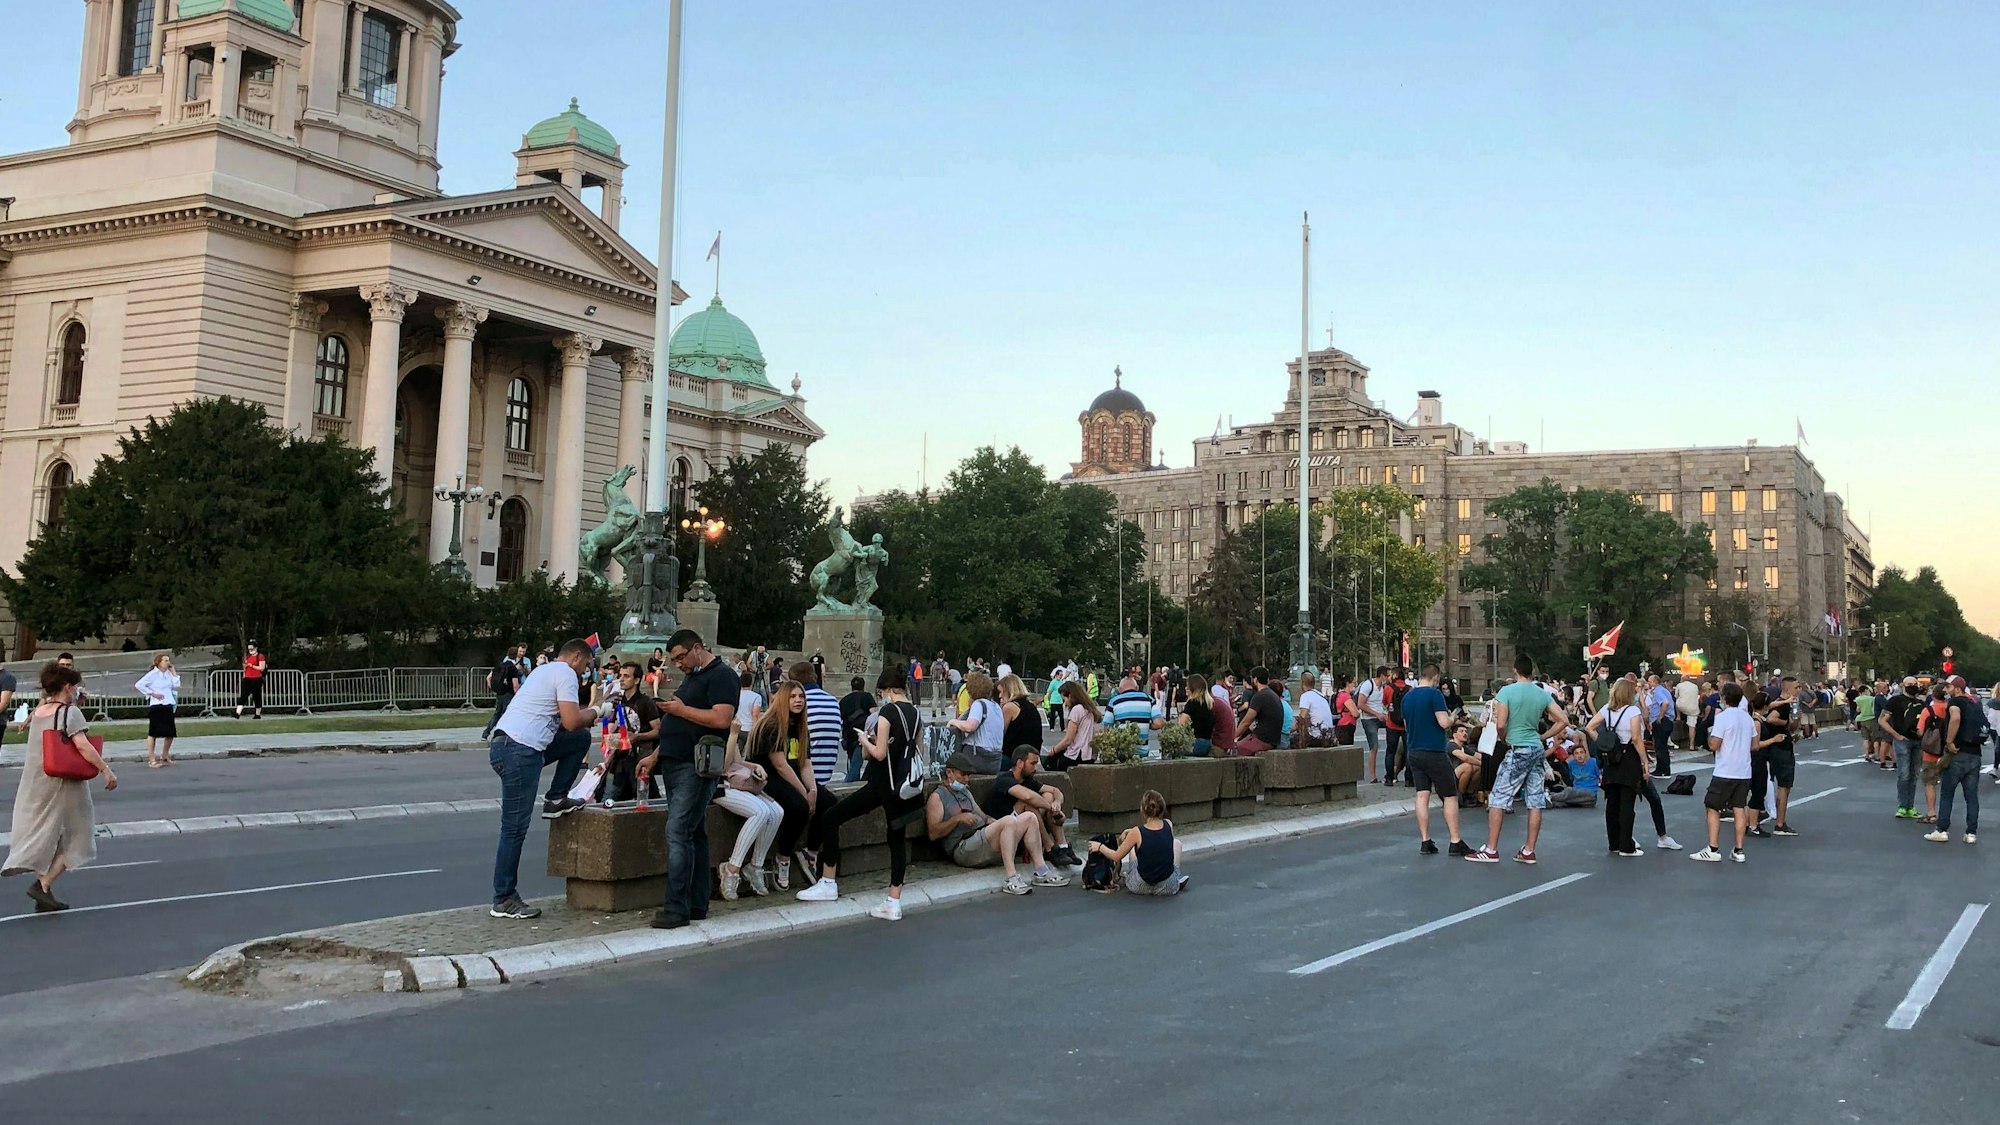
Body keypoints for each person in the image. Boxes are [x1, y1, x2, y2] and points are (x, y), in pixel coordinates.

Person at [796, 665, 924, 921]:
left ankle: (828, 881)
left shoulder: (888, 712)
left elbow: (877, 754)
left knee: (831, 817)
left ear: (886, 690)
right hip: (904, 786)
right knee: (896, 840)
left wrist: (864, 739)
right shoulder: (916, 714)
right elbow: (919, 749)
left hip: (881, 784)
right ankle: (893, 900)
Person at [487, 639, 602, 919]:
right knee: (514, 829)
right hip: (520, 750)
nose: (586, 671)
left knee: (579, 740)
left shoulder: (543, 671)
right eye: (586, 665)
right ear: (576, 657)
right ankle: (503, 898)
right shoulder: (565, 674)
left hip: (511, 746)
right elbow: (572, 720)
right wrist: (600, 710)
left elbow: (568, 728)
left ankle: (556, 798)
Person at [636, 629, 738, 929]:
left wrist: (681, 709)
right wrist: (655, 756)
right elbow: (675, 720)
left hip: (696, 765)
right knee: (693, 832)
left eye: (681, 656)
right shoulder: (693, 676)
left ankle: (677, 908)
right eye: (674, 659)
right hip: (675, 761)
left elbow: (721, 719)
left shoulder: (721, 675)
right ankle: (696, 903)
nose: (678, 663)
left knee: (678, 830)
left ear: (697, 648)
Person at [2, 662, 117, 912]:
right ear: (67, 687)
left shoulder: (41, 712)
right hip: (65, 783)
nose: (77, 690)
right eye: (75, 686)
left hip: (38, 782)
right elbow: (84, 746)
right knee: (81, 835)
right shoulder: (70, 713)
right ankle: (42, 884)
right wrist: (106, 770)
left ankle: (43, 888)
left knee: (51, 832)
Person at [1466, 654, 1568, 864]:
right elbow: (1563, 719)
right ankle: (1529, 850)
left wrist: (1505, 739)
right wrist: (1543, 736)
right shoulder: (1541, 693)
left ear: (1515, 670)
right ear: (1532, 671)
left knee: (1498, 797)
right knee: (1535, 799)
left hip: (1517, 747)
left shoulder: (1507, 691)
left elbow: (1501, 724)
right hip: (1536, 748)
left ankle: (1491, 849)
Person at [926, 752, 1069, 894]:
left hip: (981, 837)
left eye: (968, 775)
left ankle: (1042, 871)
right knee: (1008, 821)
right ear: (949, 773)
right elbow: (933, 833)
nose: (966, 779)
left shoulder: (965, 792)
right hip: (962, 847)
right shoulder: (938, 797)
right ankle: (1011, 878)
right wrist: (957, 819)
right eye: (962, 775)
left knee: (1029, 818)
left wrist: (996, 822)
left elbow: (983, 816)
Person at [1401, 664, 1468, 856]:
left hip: (1414, 750)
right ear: (1436, 677)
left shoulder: (1408, 697)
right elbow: (1444, 723)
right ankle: (1455, 841)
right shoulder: (1434, 695)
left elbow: (1406, 725)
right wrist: (1454, 715)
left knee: (1422, 795)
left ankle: (1425, 840)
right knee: (1450, 795)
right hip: (1434, 751)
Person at [1583, 680, 1650, 857]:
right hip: (1628, 757)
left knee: (1612, 802)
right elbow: (1636, 738)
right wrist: (1645, 762)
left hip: (1611, 758)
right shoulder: (1633, 711)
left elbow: (1589, 727)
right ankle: (1626, 845)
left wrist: (1602, 741)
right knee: (1627, 803)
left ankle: (1613, 843)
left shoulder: (1607, 709)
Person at [1691, 683, 1756, 862]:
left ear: (1724, 698)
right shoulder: (1747, 718)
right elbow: (1754, 745)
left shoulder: (1723, 718)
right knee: (1739, 808)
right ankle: (1739, 849)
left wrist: (1710, 736)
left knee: (1712, 807)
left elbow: (1714, 745)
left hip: (1725, 769)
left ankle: (1713, 848)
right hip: (1743, 770)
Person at [983, 746, 1079, 864]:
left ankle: (1063, 846)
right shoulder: (1005, 779)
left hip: (1021, 826)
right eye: (1032, 764)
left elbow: (1055, 791)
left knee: (1048, 795)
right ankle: (1049, 848)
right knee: (1028, 804)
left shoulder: (1027, 780)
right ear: (1019, 763)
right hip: (1001, 829)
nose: (1036, 768)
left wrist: (1057, 803)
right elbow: (1027, 797)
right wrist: (1053, 809)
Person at [1087, 789, 1188, 895]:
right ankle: (1176, 879)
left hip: (1141, 886)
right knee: (1176, 843)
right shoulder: (1168, 824)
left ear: (1143, 810)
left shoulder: (1136, 832)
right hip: (1167, 887)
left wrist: (1100, 847)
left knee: (1133, 850)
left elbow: (1116, 856)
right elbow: (1157, 839)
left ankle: (1130, 876)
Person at [712, 750, 782, 901]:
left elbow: (737, 760)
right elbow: (723, 766)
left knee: (777, 812)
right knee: (760, 812)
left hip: (738, 782)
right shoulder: (718, 728)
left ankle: (755, 867)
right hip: (718, 784)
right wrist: (733, 734)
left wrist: (754, 766)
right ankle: (731, 868)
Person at [1926, 676, 1984, 844]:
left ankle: (1942, 829)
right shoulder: (1974, 703)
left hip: (1958, 753)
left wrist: (1950, 741)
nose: (1946, 690)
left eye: (1948, 687)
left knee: (1947, 794)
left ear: (1957, 688)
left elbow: (1956, 718)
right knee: (1971, 796)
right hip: (1975, 754)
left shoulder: (1955, 702)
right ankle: (1971, 833)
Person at [603, 663, 662, 804]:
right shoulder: (618, 701)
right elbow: (610, 726)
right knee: (610, 799)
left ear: (636, 680)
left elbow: (658, 731)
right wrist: (609, 745)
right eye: (620, 675)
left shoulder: (646, 702)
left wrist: (638, 736)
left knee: (645, 798)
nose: (621, 679)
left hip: (639, 758)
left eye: (626, 676)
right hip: (619, 760)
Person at [1878, 677, 1927, 818]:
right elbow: (1882, 720)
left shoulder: (1920, 703)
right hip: (1902, 741)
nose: (1913, 686)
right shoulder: (1895, 701)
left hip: (1918, 741)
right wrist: (1895, 735)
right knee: (1904, 774)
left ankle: (1910, 806)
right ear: (1903, 686)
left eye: (1915, 684)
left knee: (1914, 775)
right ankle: (1902, 806)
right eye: (1910, 684)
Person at [1762, 677, 1803, 836]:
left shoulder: (1790, 704)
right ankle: (1780, 823)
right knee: (1784, 786)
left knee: (1784, 786)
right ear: (1787, 689)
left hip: (1783, 745)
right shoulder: (1783, 703)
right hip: (1780, 749)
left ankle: (1779, 820)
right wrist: (1786, 724)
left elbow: (1791, 726)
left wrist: (1793, 728)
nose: (1799, 689)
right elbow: (1771, 718)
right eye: (1796, 686)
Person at [949, 670, 1008, 774]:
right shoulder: (996, 706)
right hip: (995, 760)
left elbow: (970, 726)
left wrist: (953, 721)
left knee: (953, 761)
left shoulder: (979, 704)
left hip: (979, 758)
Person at [135, 653, 181, 768]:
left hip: (168, 704)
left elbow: (176, 685)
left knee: (170, 733)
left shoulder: (169, 674)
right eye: (165, 660)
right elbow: (139, 685)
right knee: (153, 733)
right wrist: (152, 693)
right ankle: (151, 759)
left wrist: (174, 672)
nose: (168, 662)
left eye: (168, 660)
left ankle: (165, 755)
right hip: (157, 705)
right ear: (159, 662)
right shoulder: (153, 674)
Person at [1046, 680, 1101, 772]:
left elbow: (1068, 740)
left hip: (1077, 754)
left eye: (1064, 699)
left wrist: (1053, 750)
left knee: (1049, 763)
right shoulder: (1090, 710)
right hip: (1090, 755)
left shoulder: (1077, 710)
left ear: (1070, 696)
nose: (1065, 703)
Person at [1234, 667, 1284, 755]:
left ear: (1256, 679)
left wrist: (1232, 737)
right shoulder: (1273, 695)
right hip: (1274, 740)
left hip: (1262, 739)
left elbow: (1246, 722)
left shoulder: (1259, 696)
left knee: (1234, 749)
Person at [997, 674, 1045, 761]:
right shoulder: (1031, 706)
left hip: (1014, 756)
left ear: (1009, 691)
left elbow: (1000, 735)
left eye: (1001, 692)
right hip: (1033, 754)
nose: (1000, 696)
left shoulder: (1009, 707)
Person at [839, 675, 877, 783]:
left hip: (848, 735)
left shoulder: (844, 700)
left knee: (853, 762)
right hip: (861, 735)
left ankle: (853, 784)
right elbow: (874, 715)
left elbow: (841, 719)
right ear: (863, 686)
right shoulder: (867, 697)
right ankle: (848, 788)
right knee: (855, 767)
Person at [1355, 666, 1389, 782]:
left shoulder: (1383, 687)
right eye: (1387, 676)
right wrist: (1376, 714)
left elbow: (1382, 703)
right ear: (1382, 676)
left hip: (1380, 716)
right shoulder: (1368, 685)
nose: (1389, 678)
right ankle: (1373, 776)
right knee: (1374, 746)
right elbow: (1360, 704)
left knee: (1394, 732)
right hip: (1369, 718)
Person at [1643, 673, 1675, 777]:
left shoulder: (1657, 691)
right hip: (1668, 720)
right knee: (1662, 746)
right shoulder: (1664, 690)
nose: (1648, 683)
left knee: (1660, 746)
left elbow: (1664, 703)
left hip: (1662, 721)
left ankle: (1662, 770)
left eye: (1650, 681)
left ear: (1655, 682)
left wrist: (1660, 716)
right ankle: (1662, 769)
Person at [729, 668, 763, 762]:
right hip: (749, 729)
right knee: (747, 757)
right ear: (751, 683)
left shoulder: (735, 694)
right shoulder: (756, 696)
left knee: (736, 756)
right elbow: (755, 714)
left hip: (736, 727)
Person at [1178, 674, 1216, 757]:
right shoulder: (1208, 703)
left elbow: (1181, 725)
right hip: (1208, 742)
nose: (1185, 689)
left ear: (1193, 689)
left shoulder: (1192, 703)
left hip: (1197, 742)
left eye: (1187, 687)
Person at [1297, 672, 1335, 748]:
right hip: (1328, 735)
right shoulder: (1321, 696)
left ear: (1302, 683)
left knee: (1291, 740)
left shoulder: (1305, 696)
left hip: (1316, 737)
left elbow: (1302, 718)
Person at [235, 641, 268, 719]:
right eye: (249, 649)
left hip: (257, 678)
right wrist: (245, 672)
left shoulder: (260, 656)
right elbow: (245, 668)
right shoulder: (247, 656)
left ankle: (257, 714)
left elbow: (262, 668)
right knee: (243, 696)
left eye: (252, 648)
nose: (250, 650)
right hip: (247, 678)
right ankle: (237, 713)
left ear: (256, 648)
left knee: (257, 696)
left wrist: (252, 666)